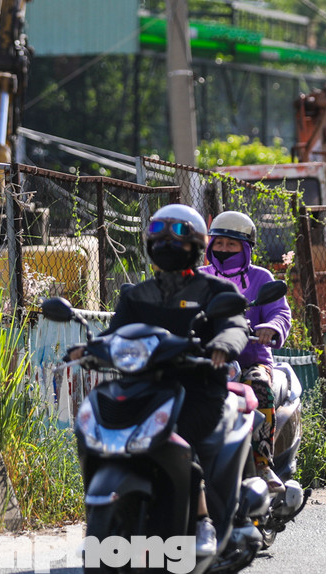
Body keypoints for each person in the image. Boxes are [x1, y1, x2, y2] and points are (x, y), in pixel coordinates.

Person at [66, 203, 249, 557]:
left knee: (178, 435)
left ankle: (200, 520)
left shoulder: (215, 290)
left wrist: (224, 346)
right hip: (143, 387)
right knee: (96, 419)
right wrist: (87, 348)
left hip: (196, 389)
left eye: (179, 233)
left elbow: (234, 324)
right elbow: (115, 335)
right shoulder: (136, 294)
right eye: (159, 233)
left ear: (197, 243)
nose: (168, 241)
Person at [199, 210, 293, 493]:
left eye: (232, 244)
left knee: (260, 386)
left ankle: (262, 463)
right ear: (209, 245)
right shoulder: (198, 279)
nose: (224, 249)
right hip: (206, 360)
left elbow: (280, 312)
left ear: (246, 248)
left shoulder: (261, 278)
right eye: (219, 243)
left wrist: (270, 328)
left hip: (252, 359)